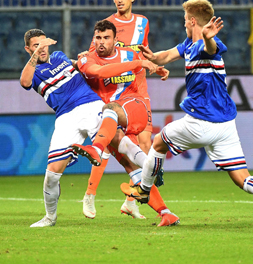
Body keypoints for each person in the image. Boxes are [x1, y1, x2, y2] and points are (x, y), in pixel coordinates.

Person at [121, 0, 253, 229]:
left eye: (185, 20)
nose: (183, 24)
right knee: (243, 178)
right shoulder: (188, 46)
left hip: (201, 122)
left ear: (192, 21)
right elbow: (168, 55)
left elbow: (210, 49)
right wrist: (152, 58)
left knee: (159, 142)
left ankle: (144, 189)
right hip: (225, 126)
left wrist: (209, 38)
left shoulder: (206, 46)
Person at [21, 29, 163, 227]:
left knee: (119, 142)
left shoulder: (60, 57)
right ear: (28, 49)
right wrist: (36, 56)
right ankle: (50, 218)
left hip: (90, 105)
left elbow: (84, 67)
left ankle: (152, 165)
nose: (41, 49)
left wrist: (83, 59)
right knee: (52, 174)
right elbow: (25, 82)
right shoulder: (33, 71)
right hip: (65, 118)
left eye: (43, 44)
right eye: (36, 46)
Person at [72, 20, 180, 227]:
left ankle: (96, 148)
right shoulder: (87, 59)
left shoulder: (129, 55)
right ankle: (165, 211)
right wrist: (140, 64)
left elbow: (144, 67)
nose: (101, 42)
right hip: (109, 120)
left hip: (132, 104)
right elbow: (101, 73)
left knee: (111, 110)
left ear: (115, 40)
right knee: (131, 164)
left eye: (106, 38)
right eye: (98, 38)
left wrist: (156, 69)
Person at [80, 0, 169, 220]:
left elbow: (145, 52)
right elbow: (93, 53)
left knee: (144, 145)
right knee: (113, 143)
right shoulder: (108, 25)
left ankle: (132, 200)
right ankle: (90, 194)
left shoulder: (143, 22)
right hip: (113, 90)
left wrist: (157, 65)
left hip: (138, 87)